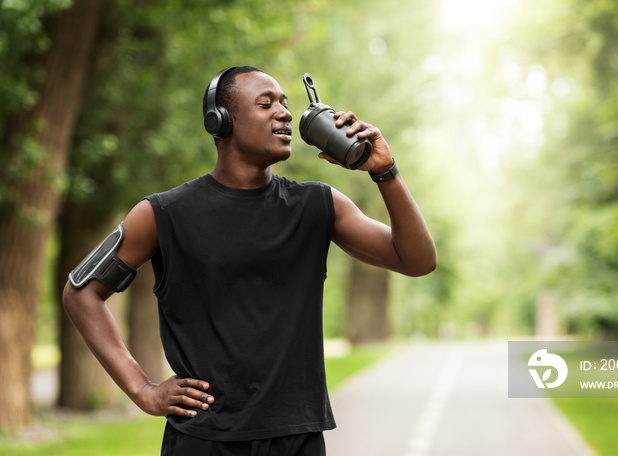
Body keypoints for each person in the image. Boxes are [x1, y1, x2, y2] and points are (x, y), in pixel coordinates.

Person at [62, 65, 437, 455]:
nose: (285, 113)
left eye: (286, 104)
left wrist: (385, 171)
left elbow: (417, 259)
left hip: (299, 438)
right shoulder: (163, 214)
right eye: (265, 103)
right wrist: (142, 389)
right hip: (203, 440)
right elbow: (81, 293)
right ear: (221, 121)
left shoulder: (318, 206)